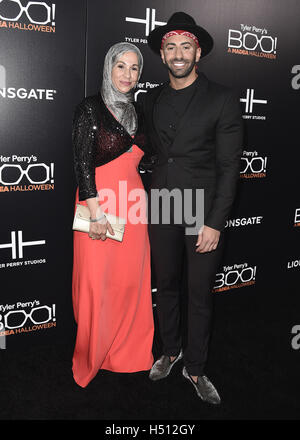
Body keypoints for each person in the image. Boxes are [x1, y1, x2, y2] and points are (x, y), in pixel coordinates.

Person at [143, 12, 243, 404]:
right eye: (171, 46)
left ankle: (196, 368)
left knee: (199, 292)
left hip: (203, 211)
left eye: (186, 46)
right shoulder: (149, 98)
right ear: (162, 55)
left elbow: (229, 166)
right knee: (166, 285)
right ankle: (170, 351)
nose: (178, 53)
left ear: (198, 51)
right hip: (165, 204)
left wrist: (215, 222)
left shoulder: (221, 98)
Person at [72, 42, 154, 388]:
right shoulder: (90, 108)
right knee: (95, 282)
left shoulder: (140, 112)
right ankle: (95, 352)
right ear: (108, 68)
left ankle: (128, 352)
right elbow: (82, 164)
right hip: (98, 204)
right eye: (121, 66)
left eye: (134, 68)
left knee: (130, 282)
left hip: (133, 206)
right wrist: (96, 213)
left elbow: (147, 159)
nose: (127, 75)